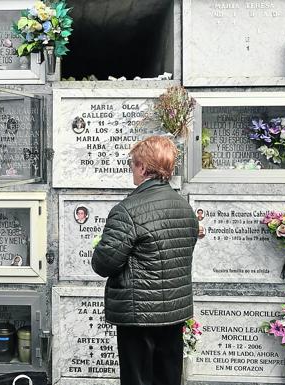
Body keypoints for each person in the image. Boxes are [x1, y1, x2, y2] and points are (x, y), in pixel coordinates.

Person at [91, 135, 198, 385]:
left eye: (133, 165)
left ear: (142, 167)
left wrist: (99, 247)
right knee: (169, 378)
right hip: (173, 313)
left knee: (137, 380)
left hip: (138, 315)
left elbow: (104, 264)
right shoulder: (185, 208)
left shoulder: (128, 210)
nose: (132, 170)